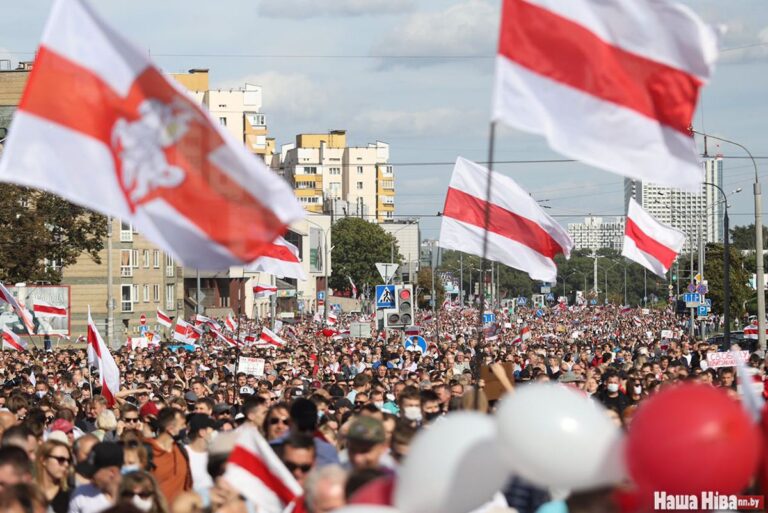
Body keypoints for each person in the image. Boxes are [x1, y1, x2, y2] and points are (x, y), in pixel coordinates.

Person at [146, 407, 191, 505]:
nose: (185, 428)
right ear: (170, 429)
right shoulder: (146, 453)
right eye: (182, 425)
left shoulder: (181, 451)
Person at [69, 442, 124, 513]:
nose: (90, 476)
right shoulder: (80, 494)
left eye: (94, 471)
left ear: (112, 472)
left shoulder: (135, 496)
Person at [34, 440, 72, 513]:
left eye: (69, 460)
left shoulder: (70, 496)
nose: (66, 464)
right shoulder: (26, 492)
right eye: (61, 459)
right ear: (43, 460)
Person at [184, 414, 216, 497]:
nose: (214, 433)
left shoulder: (214, 455)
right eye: (212, 429)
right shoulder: (183, 454)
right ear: (202, 432)